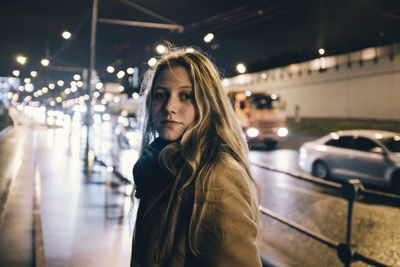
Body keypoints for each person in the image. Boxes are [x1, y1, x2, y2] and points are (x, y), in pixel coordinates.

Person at [131, 46, 262, 267]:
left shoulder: (217, 176)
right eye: (160, 95)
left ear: (208, 104)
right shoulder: (156, 167)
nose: (169, 107)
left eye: (186, 96)